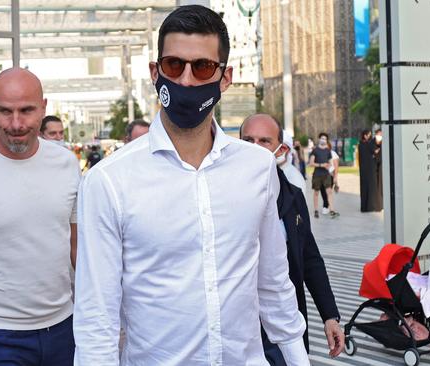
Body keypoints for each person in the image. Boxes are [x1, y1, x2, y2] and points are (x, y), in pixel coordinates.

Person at [73, 6, 309, 365]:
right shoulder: (108, 181)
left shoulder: (258, 167)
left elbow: (273, 281)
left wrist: (297, 358)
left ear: (224, 77)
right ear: (155, 72)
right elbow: (97, 315)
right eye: (173, 65)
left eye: (201, 67)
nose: (185, 80)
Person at [0, 68, 80, 366]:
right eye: (4, 111)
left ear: (44, 107)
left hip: (64, 329)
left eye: (26, 111)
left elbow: (78, 249)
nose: (15, 123)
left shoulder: (66, 163)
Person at [240, 114, 343, 364]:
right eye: (248, 140)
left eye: (264, 141)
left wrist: (330, 316)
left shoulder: (293, 196)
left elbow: (310, 259)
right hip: (241, 329)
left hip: (284, 323)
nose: (254, 148)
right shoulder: (221, 198)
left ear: (281, 149)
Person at [309, 135, 339, 218]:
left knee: (329, 192)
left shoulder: (328, 151)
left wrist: (334, 175)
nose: (323, 140)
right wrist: (322, 165)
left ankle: (332, 210)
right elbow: (311, 163)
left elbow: (330, 164)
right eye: (322, 138)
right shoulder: (315, 150)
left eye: (325, 139)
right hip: (317, 175)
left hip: (326, 175)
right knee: (316, 193)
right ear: (319, 139)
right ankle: (316, 210)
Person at [358, 129, 382, 212]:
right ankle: (372, 206)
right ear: (365, 135)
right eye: (369, 135)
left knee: (364, 188)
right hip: (371, 169)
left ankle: (364, 207)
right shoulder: (369, 144)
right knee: (372, 188)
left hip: (363, 170)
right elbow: (376, 151)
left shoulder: (360, 144)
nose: (370, 136)